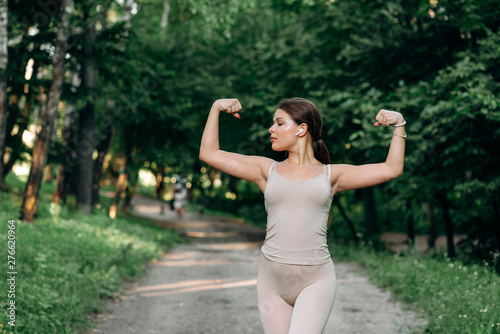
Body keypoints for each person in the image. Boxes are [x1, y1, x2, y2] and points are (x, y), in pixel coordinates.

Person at [199, 98, 406, 334]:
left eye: (279, 123)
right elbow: (208, 153)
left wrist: (399, 124)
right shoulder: (265, 170)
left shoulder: (331, 175)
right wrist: (215, 107)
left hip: (315, 281)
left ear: (301, 129)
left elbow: (392, 169)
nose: (271, 129)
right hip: (272, 283)